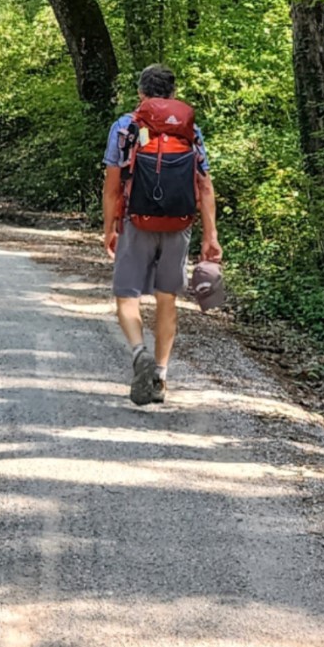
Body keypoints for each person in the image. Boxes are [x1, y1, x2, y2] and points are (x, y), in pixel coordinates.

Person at [101, 64, 221, 405]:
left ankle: (140, 355)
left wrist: (110, 228)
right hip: (179, 223)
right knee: (167, 298)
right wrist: (210, 235)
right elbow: (205, 185)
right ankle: (161, 377)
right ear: (172, 93)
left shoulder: (126, 126)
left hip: (137, 222)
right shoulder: (189, 128)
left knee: (127, 296)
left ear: (141, 93)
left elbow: (112, 187)